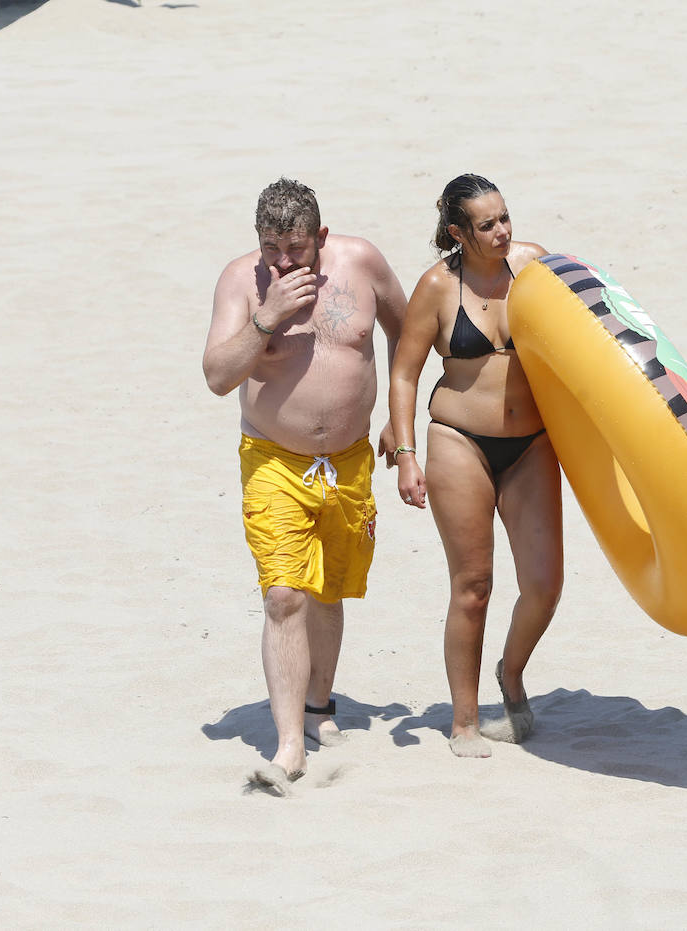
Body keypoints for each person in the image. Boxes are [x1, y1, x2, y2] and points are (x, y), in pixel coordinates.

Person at [202, 178, 407, 794]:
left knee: (329, 590)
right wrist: (265, 319)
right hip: (273, 460)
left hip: (348, 462)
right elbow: (216, 376)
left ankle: (319, 706)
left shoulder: (361, 261)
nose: (284, 262)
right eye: (272, 249)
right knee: (285, 593)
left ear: (321, 236)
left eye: (295, 248)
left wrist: (402, 422)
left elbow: (409, 331)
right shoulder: (242, 282)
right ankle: (289, 744)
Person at [388, 173, 563, 758]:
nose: (502, 231)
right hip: (460, 440)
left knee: (544, 585)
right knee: (473, 587)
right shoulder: (438, 287)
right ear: (457, 232)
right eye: (486, 224)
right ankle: (464, 720)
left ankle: (510, 675)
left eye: (505, 217)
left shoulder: (535, 266)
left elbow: (595, 339)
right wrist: (407, 454)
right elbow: (405, 373)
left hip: (532, 443)